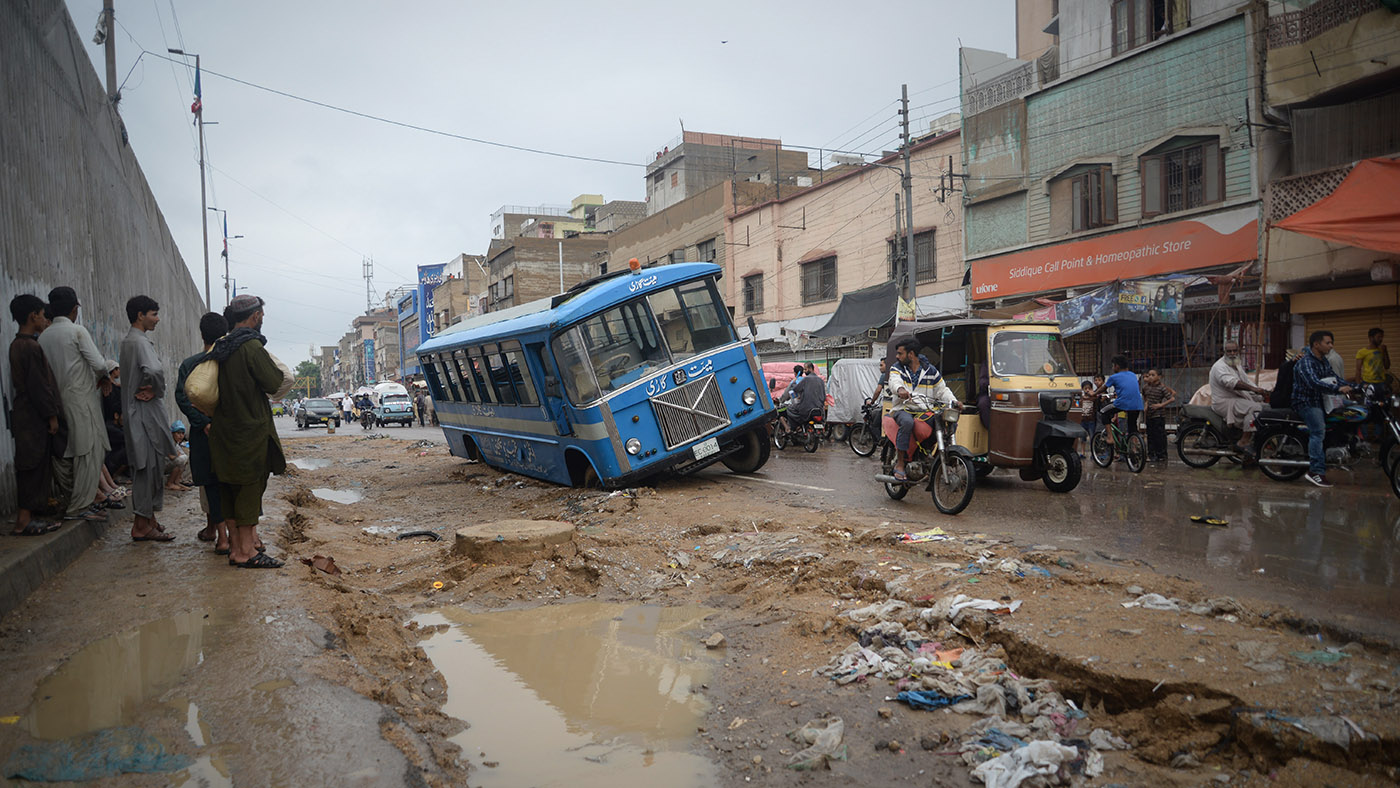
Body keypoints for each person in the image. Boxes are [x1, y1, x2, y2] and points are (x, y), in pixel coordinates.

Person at [209, 295, 286, 568]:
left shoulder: (221, 347)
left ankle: (236, 549)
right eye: (261, 316)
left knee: (229, 490)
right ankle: (246, 553)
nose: (262, 320)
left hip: (223, 431)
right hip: (249, 431)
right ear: (254, 317)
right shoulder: (251, 346)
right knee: (250, 489)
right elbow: (274, 381)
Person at [38, 287, 110, 524]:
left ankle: (73, 501)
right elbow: (99, 363)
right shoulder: (76, 331)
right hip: (80, 401)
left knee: (63, 453)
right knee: (89, 451)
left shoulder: (44, 336)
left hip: (54, 402)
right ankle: (79, 506)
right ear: (74, 309)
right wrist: (106, 374)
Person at [120, 295, 179, 542]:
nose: (157, 319)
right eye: (153, 314)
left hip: (137, 413)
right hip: (143, 415)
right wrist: (157, 389)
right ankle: (141, 526)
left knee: (151, 467)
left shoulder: (131, 341)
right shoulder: (139, 341)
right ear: (140, 315)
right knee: (147, 468)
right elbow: (154, 370)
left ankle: (149, 520)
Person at [8, 295, 65, 535]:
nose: (44, 320)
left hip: (27, 416)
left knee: (33, 465)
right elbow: (39, 387)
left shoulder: (18, 344)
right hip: (33, 418)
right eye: (42, 315)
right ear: (33, 316)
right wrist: (51, 416)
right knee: (33, 466)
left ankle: (29, 516)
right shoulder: (30, 347)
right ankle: (24, 519)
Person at [176, 312, 230, 553]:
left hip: (202, 433)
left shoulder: (191, 364)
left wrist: (202, 422)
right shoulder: (229, 363)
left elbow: (181, 398)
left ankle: (221, 537)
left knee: (210, 484)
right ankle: (238, 537)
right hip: (227, 433)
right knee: (228, 484)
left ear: (202, 335)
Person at [884, 339, 956, 480]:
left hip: (924, 409)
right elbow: (894, 381)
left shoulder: (931, 370)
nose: (897, 357)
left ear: (911, 354)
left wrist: (954, 401)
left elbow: (942, 390)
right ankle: (900, 463)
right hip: (903, 408)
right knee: (907, 423)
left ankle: (934, 458)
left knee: (947, 421)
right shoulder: (897, 368)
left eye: (900, 353)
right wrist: (900, 389)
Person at [1293, 330, 1354, 488]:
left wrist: (1356, 386)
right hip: (1306, 402)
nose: (1331, 346)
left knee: (1354, 410)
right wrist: (1337, 390)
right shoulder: (1306, 362)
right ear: (1316, 344)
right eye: (1328, 343)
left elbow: (1335, 378)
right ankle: (1316, 472)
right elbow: (1313, 382)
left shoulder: (1324, 361)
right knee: (1318, 432)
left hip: (1323, 400)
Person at [1208, 341, 1269, 458]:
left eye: (1234, 351)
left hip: (1236, 398)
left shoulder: (1236, 364)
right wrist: (1253, 389)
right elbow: (1231, 383)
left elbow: (1246, 381)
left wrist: (1261, 391)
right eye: (1229, 351)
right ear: (1224, 352)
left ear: (1238, 351)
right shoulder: (1219, 367)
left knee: (1263, 407)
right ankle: (1244, 441)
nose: (1232, 353)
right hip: (1224, 402)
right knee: (1255, 408)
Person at [1092, 355, 1142, 436]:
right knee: (1132, 427)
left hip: (1123, 403)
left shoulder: (1114, 377)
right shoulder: (1132, 375)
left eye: (1112, 366)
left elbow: (1103, 388)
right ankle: (1135, 446)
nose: (1112, 368)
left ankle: (1110, 437)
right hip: (1137, 404)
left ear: (1117, 366)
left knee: (1103, 412)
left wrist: (1093, 393)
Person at [1141, 369, 1177, 462]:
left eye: (1153, 375)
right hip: (1149, 414)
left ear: (1159, 377)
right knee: (1150, 435)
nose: (1150, 377)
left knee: (1159, 435)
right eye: (1149, 375)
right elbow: (1145, 396)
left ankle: (1161, 455)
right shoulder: (1145, 387)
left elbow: (1171, 398)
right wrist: (1146, 404)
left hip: (1159, 415)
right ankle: (1151, 454)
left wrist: (1161, 405)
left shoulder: (1162, 388)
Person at [1355, 328, 1391, 393]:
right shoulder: (1362, 352)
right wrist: (1358, 385)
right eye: (1378, 337)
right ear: (1371, 338)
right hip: (1368, 383)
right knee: (1369, 402)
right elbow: (1358, 370)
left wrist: (1385, 352)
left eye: (1382, 337)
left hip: (1381, 382)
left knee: (1381, 402)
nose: (1381, 339)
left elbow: (1387, 366)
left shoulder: (1381, 350)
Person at [166, 421, 191, 491]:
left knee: (184, 459)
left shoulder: (176, 443)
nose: (181, 436)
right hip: (162, 465)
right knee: (179, 461)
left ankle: (176, 482)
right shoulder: (169, 442)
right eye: (178, 433)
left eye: (182, 433)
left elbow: (180, 454)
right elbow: (171, 456)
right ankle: (169, 483)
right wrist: (177, 455)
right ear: (172, 433)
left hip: (168, 464)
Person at [1077, 380, 1096, 456]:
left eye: (1089, 388)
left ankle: (1093, 453)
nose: (1087, 390)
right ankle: (1083, 452)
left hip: (1091, 421)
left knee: (1092, 437)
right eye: (1085, 388)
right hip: (1083, 421)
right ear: (1082, 389)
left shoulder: (1093, 398)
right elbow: (1077, 405)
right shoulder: (1081, 399)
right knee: (1082, 438)